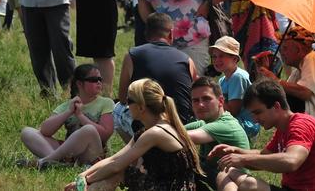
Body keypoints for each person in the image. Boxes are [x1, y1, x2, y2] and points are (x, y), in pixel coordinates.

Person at [65, 78, 201, 191]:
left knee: (119, 172)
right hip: (162, 184)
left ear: (141, 107)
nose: (126, 104)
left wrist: (85, 182)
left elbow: (116, 166)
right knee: (120, 173)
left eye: (129, 100)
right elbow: (114, 159)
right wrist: (82, 175)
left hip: (172, 188)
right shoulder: (149, 130)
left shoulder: (155, 133)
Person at [212, 79, 315, 191]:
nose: (255, 120)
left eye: (258, 112)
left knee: (249, 185)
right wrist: (235, 152)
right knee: (226, 173)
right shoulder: (283, 127)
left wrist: (243, 159)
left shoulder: (301, 125)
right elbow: (265, 155)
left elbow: (292, 161)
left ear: (276, 106)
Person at [114, 12, 197, 142]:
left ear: (146, 33)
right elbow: (193, 96)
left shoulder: (132, 55)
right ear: (171, 33)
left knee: (117, 109)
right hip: (181, 125)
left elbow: (123, 98)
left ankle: (136, 152)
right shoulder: (187, 60)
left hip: (145, 125)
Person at [19, 64, 114, 169]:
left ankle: (46, 161)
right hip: (69, 155)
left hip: (92, 154)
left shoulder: (106, 103)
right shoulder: (68, 105)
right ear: (79, 83)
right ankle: (59, 164)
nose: (99, 82)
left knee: (89, 130)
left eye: (100, 79)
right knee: (27, 132)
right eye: (93, 79)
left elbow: (105, 134)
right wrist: (68, 112)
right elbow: (45, 131)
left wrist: (80, 116)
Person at [65, 0, 118, 96]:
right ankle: (105, 93)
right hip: (101, 6)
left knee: (103, 56)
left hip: (97, 9)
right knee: (102, 55)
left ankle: (106, 95)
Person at [185, 77, 251, 190]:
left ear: (221, 101)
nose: (200, 105)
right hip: (216, 180)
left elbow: (179, 137)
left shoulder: (225, 125)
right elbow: (175, 130)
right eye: (195, 100)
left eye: (206, 99)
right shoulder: (205, 122)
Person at [209, 36, 260, 140]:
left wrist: (213, 97)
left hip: (246, 125)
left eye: (221, 56)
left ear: (235, 59)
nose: (217, 60)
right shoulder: (222, 80)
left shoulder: (237, 77)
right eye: (214, 56)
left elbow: (233, 111)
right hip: (234, 122)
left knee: (208, 128)